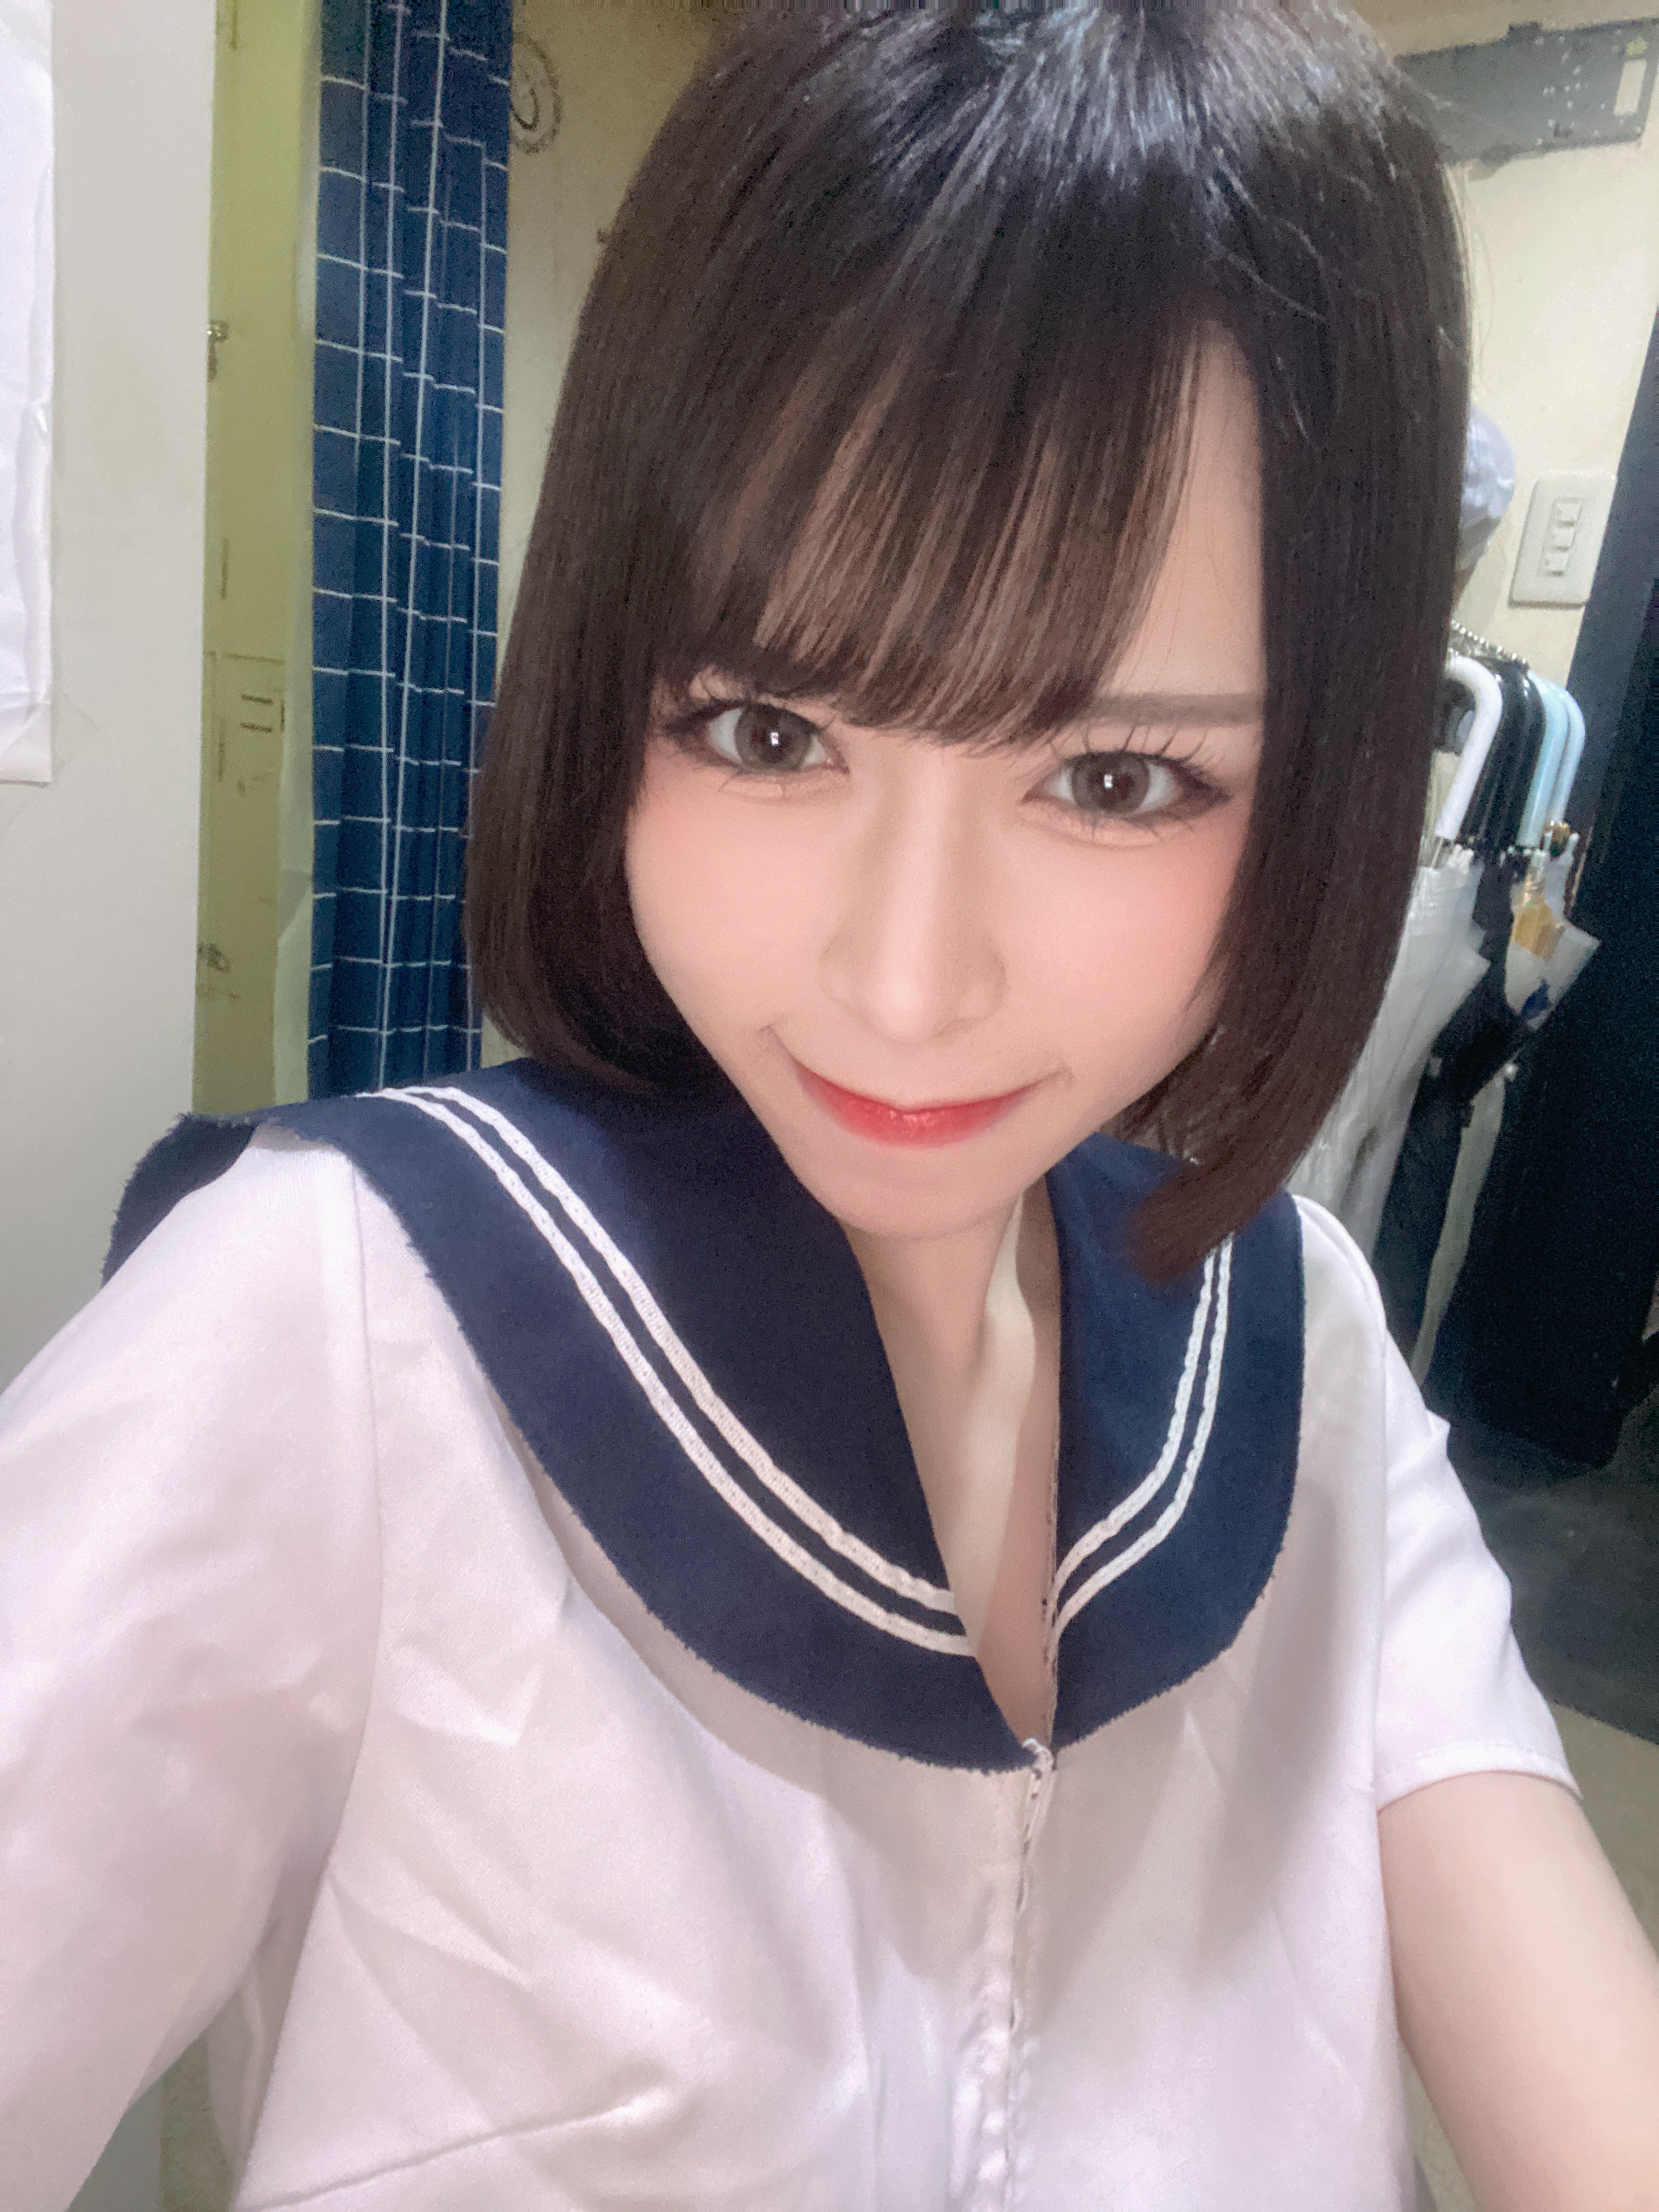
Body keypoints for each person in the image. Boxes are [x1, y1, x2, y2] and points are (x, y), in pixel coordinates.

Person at [4, 5, 1658, 2208]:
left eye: (1116, 778)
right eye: (770, 731)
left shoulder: (1298, 1344)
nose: (901, 978)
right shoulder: (339, 1321)